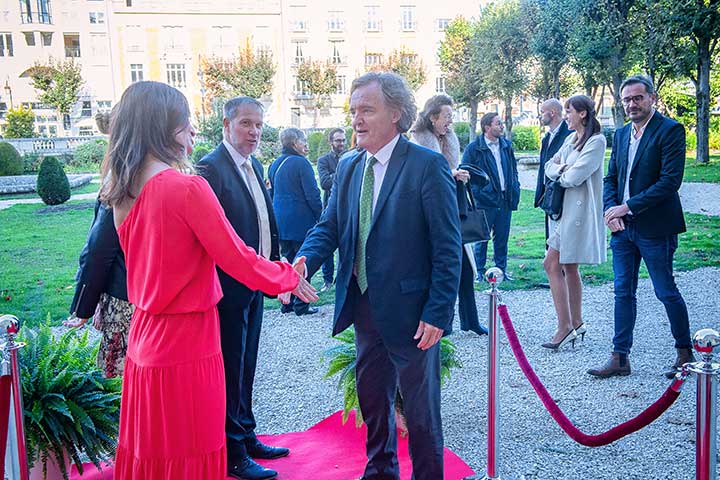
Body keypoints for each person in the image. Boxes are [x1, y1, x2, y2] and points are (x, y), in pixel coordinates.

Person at [102, 81, 316, 480]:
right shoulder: (185, 187)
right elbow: (236, 257)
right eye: (185, 125)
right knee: (192, 449)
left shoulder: (122, 188)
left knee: (153, 451)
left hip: (146, 336)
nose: (193, 134)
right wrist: (287, 276)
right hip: (187, 339)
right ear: (165, 128)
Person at [293, 72, 462, 480]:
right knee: (373, 402)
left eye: (366, 109)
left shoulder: (427, 166)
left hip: (414, 315)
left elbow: (447, 246)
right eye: (353, 110)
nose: (356, 119)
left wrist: (438, 311)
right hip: (364, 307)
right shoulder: (350, 165)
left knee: (421, 415)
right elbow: (330, 226)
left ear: (397, 115)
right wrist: (304, 260)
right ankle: (380, 472)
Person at [196, 97, 294, 480]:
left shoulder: (252, 163)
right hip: (227, 289)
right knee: (231, 368)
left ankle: (247, 434)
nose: (254, 132)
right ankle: (233, 452)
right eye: (246, 125)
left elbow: (261, 218)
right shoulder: (210, 168)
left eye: (259, 125)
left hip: (255, 284)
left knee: (247, 365)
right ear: (226, 124)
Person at [589, 75, 693, 379]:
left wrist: (628, 206)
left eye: (637, 98)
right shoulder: (621, 135)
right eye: (627, 99)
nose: (632, 104)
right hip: (622, 229)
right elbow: (611, 178)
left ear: (652, 98)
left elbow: (669, 182)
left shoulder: (670, 130)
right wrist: (611, 210)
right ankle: (620, 357)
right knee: (623, 292)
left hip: (655, 227)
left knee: (665, 290)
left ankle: (685, 354)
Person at [410, 94, 487, 336]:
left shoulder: (448, 137)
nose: (450, 121)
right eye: (447, 116)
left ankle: (470, 319)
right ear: (432, 117)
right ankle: (445, 322)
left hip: (453, 208)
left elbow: (447, 167)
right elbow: (424, 175)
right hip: (430, 214)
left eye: (452, 116)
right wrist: (452, 173)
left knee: (463, 266)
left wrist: (457, 173)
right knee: (444, 267)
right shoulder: (418, 140)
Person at [65, 110, 134, 379]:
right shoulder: (152, 171)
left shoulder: (123, 175)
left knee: (123, 386)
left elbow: (98, 250)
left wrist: (82, 307)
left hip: (125, 298)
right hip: (148, 296)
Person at [541, 95, 606, 351]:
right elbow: (549, 166)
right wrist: (562, 169)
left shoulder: (596, 141)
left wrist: (562, 170)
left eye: (568, 111)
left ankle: (565, 326)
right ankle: (576, 322)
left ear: (582, 114)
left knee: (552, 263)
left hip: (578, 214)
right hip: (566, 212)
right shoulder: (571, 139)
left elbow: (574, 178)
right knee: (567, 265)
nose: (565, 115)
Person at [268, 128, 323, 316]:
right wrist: (321, 216)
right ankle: (301, 304)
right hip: (301, 221)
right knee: (303, 262)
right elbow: (312, 194)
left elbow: (272, 192)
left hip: (281, 221)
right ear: (294, 143)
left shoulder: (275, 164)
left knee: (288, 262)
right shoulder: (302, 163)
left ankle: (287, 303)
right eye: (303, 140)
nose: (306, 144)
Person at [462, 112, 520, 281]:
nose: (502, 126)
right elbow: (467, 172)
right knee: (482, 237)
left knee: (502, 237)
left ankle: (501, 270)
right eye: (498, 123)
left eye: (501, 123)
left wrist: (515, 187)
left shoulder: (506, 146)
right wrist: (479, 193)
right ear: (487, 127)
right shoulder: (474, 148)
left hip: (504, 198)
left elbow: (513, 170)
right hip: (484, 200)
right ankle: (479, 272)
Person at [535, 99, 572, 244]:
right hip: (549, 194)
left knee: (563, 242)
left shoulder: (569, 134)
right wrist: (540, 193)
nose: (541, 116)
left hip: (563, 192)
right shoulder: (547, 138)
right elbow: (543, 168)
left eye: (542, 112)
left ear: (552, 113)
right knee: (550, 239)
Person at [316, 127, 346, 292]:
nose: (341, 143)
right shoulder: (324, 160)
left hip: (348, 207)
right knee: (327, 245)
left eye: (343, 140)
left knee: (346, 245)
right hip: (330, 207)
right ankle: (327, 280)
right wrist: (344, 172)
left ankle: (343, 277)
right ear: (331, 142)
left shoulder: (351, 156)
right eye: (338, 140)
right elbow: (325, 183)